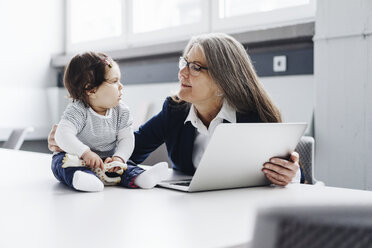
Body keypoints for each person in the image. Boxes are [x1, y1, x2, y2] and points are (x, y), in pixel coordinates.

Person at [49, 33, 303, 187]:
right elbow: (130, 149)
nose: (182, 72)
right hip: (188, 212)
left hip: (244, 212)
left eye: (195, 67)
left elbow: (290, 171)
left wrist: (292, 174)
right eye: (184, 62)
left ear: (224, 80)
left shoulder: (254, 116)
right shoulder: (175, 111)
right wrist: (76, 142)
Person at [51, 52, 168, 192]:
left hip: (106, 160)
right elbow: (62, 135)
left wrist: (119, 158)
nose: (121, 86)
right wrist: (85, 153)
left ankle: (140, 177)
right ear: (91, 89)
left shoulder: (121, 111)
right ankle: (83, 178)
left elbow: (127, 139)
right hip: (77, 158)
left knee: (126, 165)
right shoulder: (78, 111)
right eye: (114, 81)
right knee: (61, 164)